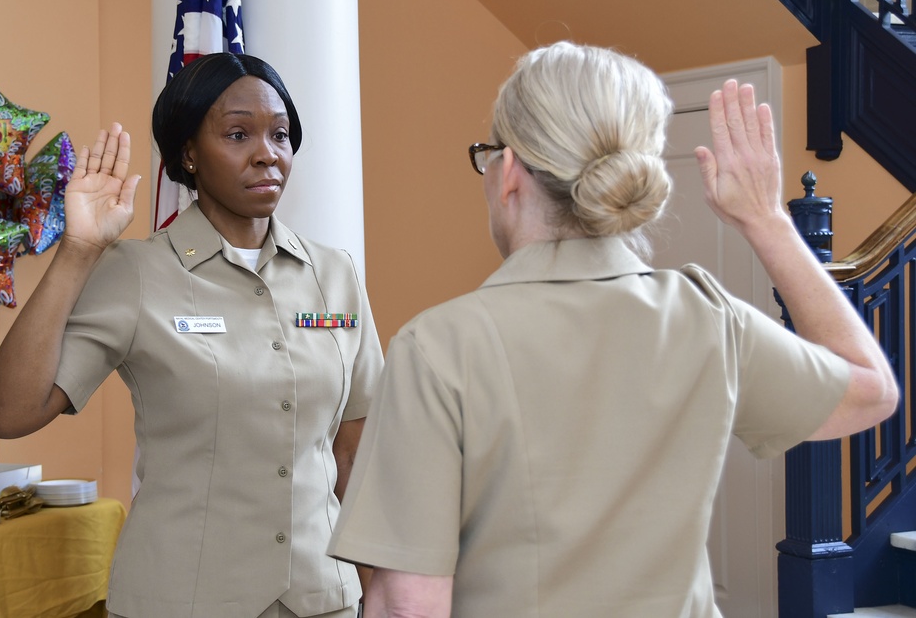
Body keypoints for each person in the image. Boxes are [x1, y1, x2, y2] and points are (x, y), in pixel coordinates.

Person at [326, 42, 899, 617]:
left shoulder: (438, 348)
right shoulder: (705, 317)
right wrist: (766, 220)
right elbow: (871, 390)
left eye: (489, 154)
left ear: (512, 173)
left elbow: (408, 604)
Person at [0, 53, 383, 618]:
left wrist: (377, 587)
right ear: (188, 154)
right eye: (238, 134)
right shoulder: (136, 272)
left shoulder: (336, 274)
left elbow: (356, 450)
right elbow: (9, 413)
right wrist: (79, 250)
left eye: (281, 135)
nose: (267, 153)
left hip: (325, 599)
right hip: (182, 600)